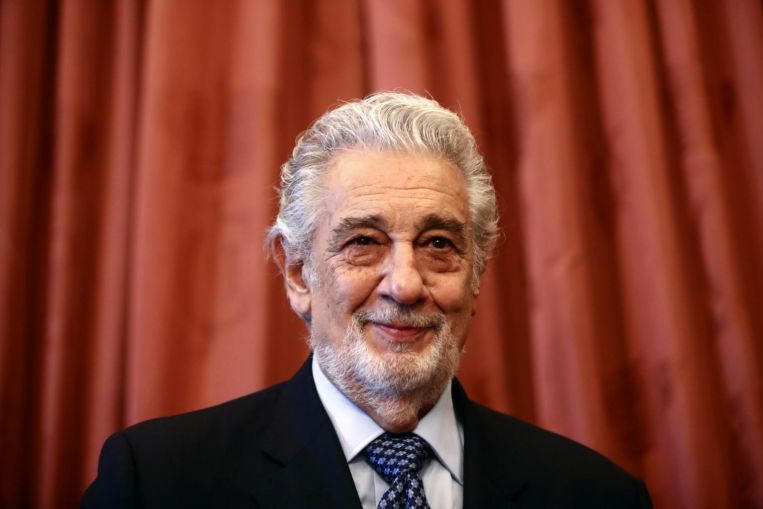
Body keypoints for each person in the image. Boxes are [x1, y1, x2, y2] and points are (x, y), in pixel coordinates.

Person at [80, 92, 652, 509]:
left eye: (438, 244)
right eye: (363, 242)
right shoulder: (157, 483)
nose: (404, 285)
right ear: (297, 273)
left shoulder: (597, 496)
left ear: (476, 274)